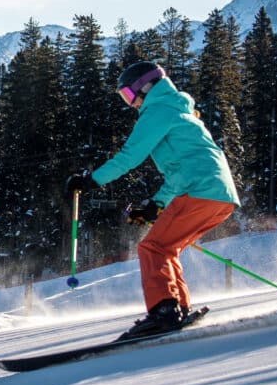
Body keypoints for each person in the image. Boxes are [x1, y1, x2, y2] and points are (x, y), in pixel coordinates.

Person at [65, 61, 240, 340]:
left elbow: (129, 157)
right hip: (219, 195)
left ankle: (164, 311)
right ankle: (176, 308)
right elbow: (179, 171)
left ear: (145, 87)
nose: (129, 103)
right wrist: (156, 205)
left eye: (128, 95)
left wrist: (90, 181)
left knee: (152, 248)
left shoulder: (157, 111)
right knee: (166, 248)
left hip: (200, 191)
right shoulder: (178, 109)